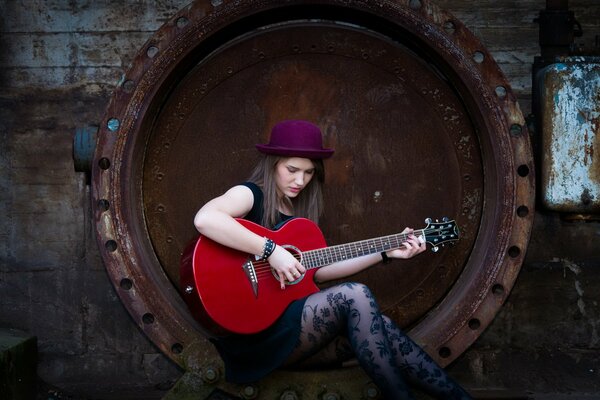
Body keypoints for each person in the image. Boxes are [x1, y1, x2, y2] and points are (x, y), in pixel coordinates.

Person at [193, 120, 472, 399]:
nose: (300, 181)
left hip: (288, 329)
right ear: (273, 163)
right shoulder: (250, 194)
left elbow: (319, 272)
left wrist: (386, 252)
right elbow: (205, 219)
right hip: (252, 334)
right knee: (356, 294)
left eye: (309, 172)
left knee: (382, 326)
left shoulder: (298, 212)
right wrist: (272, 251)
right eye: (292, 170)